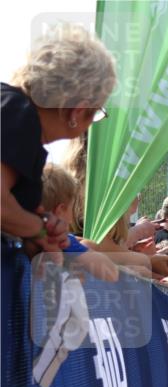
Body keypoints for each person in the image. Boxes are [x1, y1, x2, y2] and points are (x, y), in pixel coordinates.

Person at [2, 26, 115, 262]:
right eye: (96, 112)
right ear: (78, 110)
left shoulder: (15, 113)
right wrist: (39, 228)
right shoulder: (18, 115)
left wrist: (45, 231)